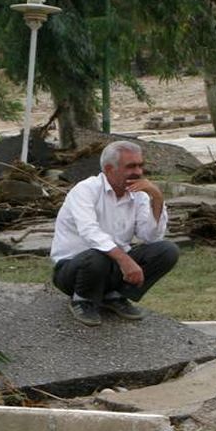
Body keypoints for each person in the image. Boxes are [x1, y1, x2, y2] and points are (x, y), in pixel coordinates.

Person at [49, 140, 180, 327]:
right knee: (97, 255)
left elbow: (150, 237)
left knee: (167, 250)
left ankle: (115, 297)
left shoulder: (139, 195)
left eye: (140, 165)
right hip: (74, 270)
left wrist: (157, 197)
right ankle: (82, 300)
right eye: (131, 166)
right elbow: (89, 232)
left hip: (113, 267)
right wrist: (125, 260)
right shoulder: (85, 190)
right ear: (110, 169)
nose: (138, 172)